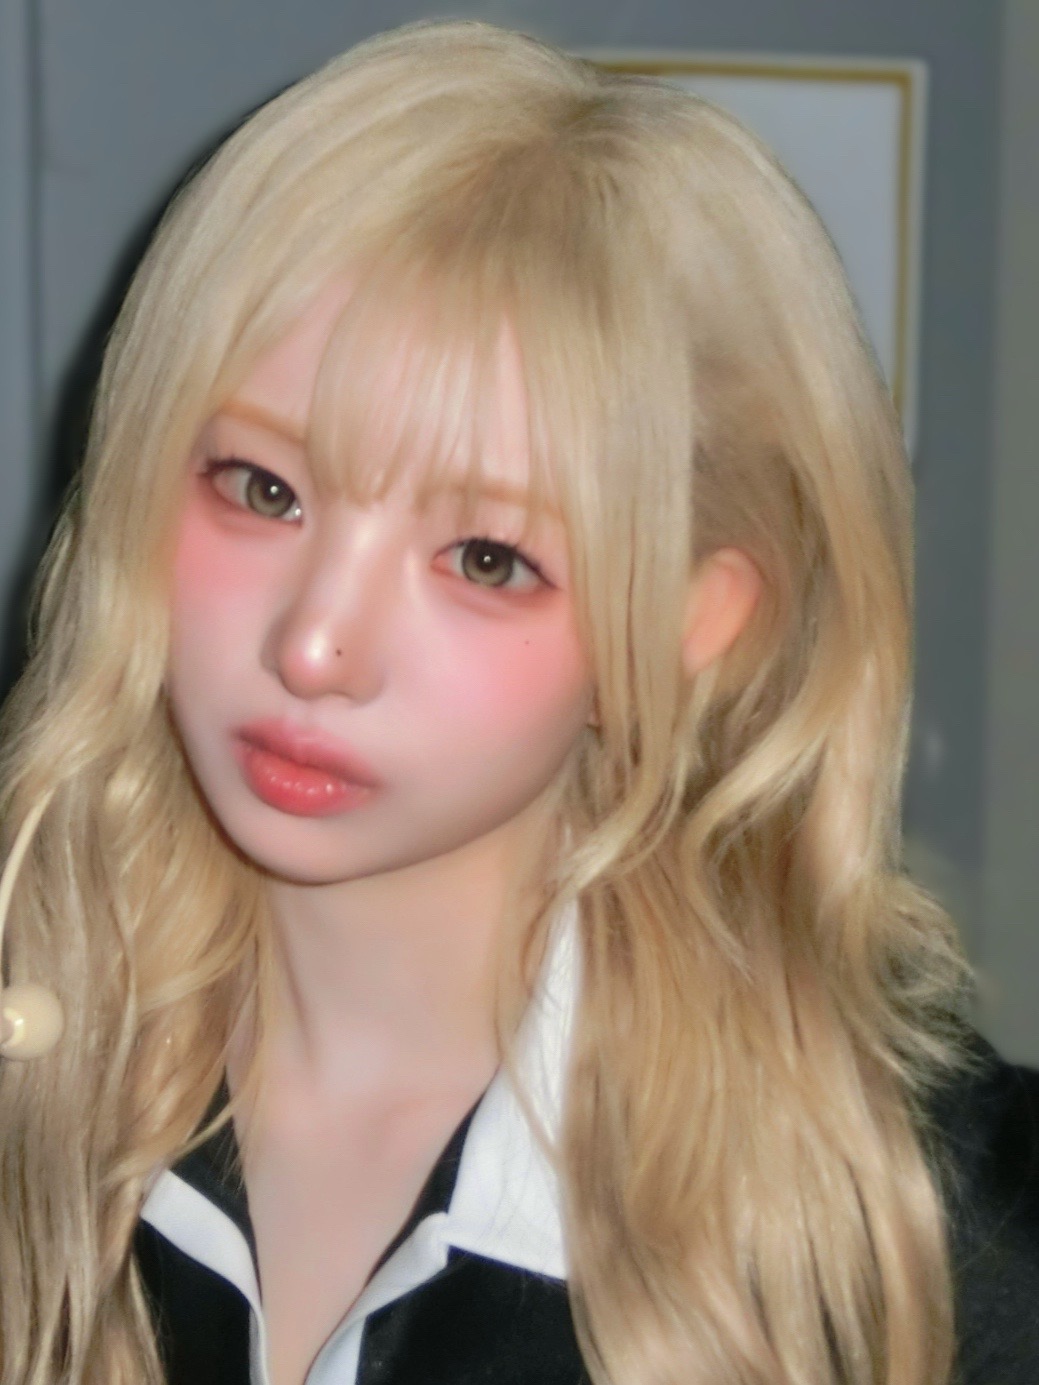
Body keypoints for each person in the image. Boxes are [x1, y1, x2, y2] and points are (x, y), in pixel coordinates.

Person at [1, 18, 1037, 1385]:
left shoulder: (940, 1239)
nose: (317, 646)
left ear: (693, 623)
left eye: (486, 559)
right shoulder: (37, 1087)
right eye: (264, 489)